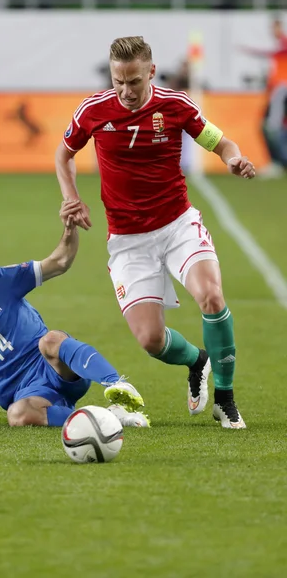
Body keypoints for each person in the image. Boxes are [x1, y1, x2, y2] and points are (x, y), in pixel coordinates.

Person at [55, 36, 256, 430]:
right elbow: (64, 154)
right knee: (150, 340)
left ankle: (226, 399)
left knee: (212, 297)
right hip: (128, 240)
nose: (126, 91)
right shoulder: (94, 110)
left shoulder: (176, 105)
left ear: (151, 71)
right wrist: (71, 197)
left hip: (178, 224)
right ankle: (196, 360)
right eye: (118, 82)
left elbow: (222, 143)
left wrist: (234, 159)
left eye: (134, 81)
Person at [0, 201, 149, 428]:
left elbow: (59, 262)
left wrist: (69, 230)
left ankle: (117, 384)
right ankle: (110, 419)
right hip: (30, 397)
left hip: (56, 368)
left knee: (51, 340)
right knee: (17, 415)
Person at [241, 18, 287, 178]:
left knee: (271, 126)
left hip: (281, 92)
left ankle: (278, 162)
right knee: (267, 126)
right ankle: (277, 162)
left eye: (275, 27)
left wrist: (249, 50)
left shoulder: (283, 44)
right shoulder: (278, 50)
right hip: (276, 92)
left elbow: (272, 53)